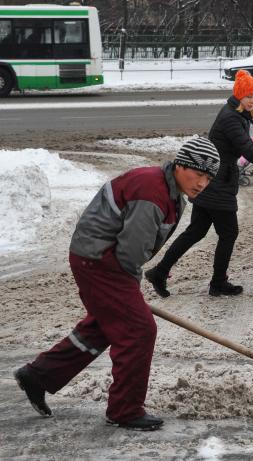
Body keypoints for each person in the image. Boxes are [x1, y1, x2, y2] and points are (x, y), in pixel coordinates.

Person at [13, 137, 220, 431]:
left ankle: (38, 376)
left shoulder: (170, 191)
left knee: (103, 327)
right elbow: (130, 252)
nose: (202, 183)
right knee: (138, 329)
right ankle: (125, 410)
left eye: (208, 177)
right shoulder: (152, 193)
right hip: (98, 260)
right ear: (180, 164)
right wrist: (130, 288)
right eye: (198, 173)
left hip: (102, 257)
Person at [145, 69, 253, 299]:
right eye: (248, 96)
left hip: (212, 180)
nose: (252, 101)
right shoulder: (231, 118)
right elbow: (248, 150)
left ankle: (159, 272)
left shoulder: (237, 112)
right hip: (217, 184)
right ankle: (218, 282)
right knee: (229, 233)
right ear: (239, 95)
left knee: (196, 231)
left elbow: (246, 145)